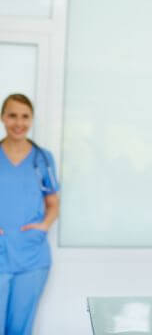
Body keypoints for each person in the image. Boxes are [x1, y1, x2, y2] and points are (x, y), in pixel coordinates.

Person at [0, 94, 60, 335]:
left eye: (25, 116)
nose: (18, 122)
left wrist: (44, 225)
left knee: (19, 329)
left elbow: (53, 202)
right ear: (3, 118)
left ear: (32, 120)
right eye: (12, 115)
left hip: (32, 256)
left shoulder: (43, 159)